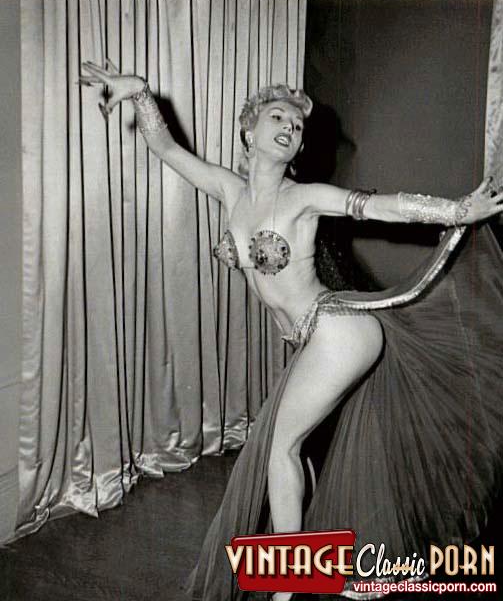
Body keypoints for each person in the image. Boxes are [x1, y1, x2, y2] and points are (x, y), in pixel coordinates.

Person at [80, 59, 503, 600]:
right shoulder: (230, 190)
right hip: (316, 338)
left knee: (280, 447)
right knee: (293, 451)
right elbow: (165, 148)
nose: (290, 127)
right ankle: (315, 571)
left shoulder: (302, 197)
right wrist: (140, 91)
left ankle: (288, 588)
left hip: (336, 327)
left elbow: (378, 207)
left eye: (297, 125)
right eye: (278, 117)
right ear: (249, 131)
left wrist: (457, 210)